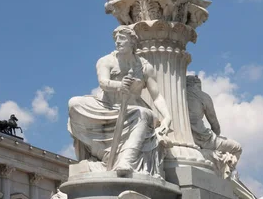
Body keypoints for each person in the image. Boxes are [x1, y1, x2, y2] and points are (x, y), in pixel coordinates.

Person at [68, 26, 172, 177]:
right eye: (116, 38)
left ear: (132, 42)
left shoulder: (144, 67)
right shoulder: (106, 61)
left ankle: (126, 160)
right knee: (74, 103)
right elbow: (103, 82)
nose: (117, 41)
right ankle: (103, 153)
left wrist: (167, 117)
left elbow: (156, 96)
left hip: (131, 110)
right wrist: (119, 85)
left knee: (144, 114)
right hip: (105, 106)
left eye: (122, 38)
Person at [185, 75, 242, 177]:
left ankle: (217, 160)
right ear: (197, 84)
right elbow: (215, 125)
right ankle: (224, 174)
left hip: (185, 135)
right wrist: (214, 139)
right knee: (237, 148)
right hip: (203, 138)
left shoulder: (180, 95)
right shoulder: (203, 96)